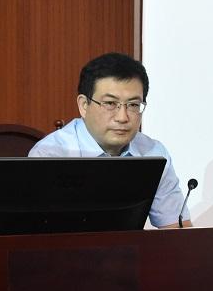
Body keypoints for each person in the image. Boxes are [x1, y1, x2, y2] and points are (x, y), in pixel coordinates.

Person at [28, 52, 190, 228]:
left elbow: (177, 231)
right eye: (110, 104)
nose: (122, 117)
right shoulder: (51, 155)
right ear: (84, 105)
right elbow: (41, 236)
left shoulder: (153, 153)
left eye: (133, 105)